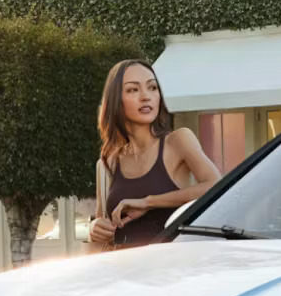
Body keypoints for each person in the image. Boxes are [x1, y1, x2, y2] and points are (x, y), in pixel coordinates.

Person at [87, 60, 220, 250]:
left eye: (152, 88)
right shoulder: (108, 163)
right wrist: (94, 228)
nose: (146, 97)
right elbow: (102, 224)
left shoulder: (178, 141)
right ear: (116, 100)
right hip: (123, 271)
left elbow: (215, 186)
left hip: (169, 271)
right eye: (133, 90)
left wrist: (149, 202)